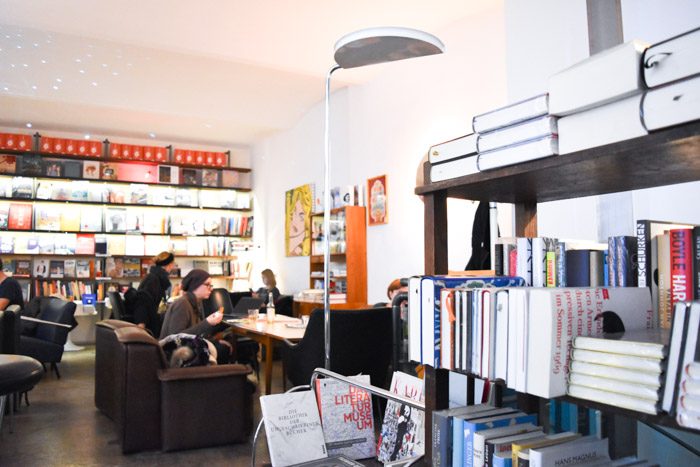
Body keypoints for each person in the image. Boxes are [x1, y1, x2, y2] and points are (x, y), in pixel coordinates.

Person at [159, 269, 231, 364]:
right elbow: (176, 338)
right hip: (175, 355)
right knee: (223, 350)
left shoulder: (196, 302)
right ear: (195, 285)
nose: (211, 288)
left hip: (189, 348)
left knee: (225, 345)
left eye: (211, 285)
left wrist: (214, 341)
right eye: (207, 285)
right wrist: (207, 323)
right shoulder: (182, 303)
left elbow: (196, 334)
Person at [132, 251, 176, 337]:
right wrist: (141, 325)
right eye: (173, 264)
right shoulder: (155, 280)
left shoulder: (153, 277)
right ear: (169, 265)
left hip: (149, 319)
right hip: (149, 323)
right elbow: (142, 301)